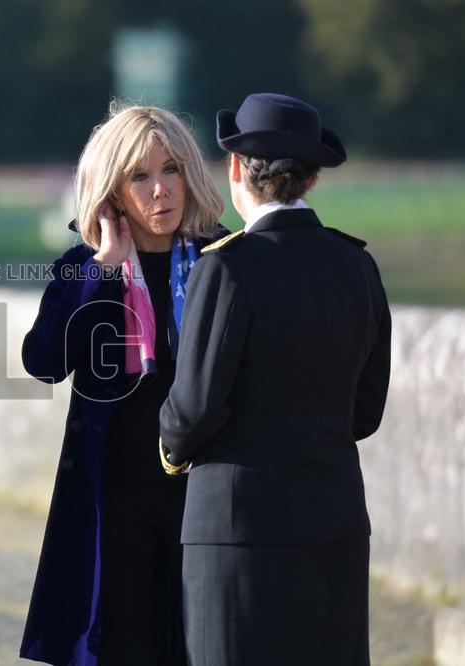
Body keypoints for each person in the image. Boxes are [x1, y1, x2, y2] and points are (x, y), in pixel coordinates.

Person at [159, 92, 391, 666]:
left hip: (236, 531)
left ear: (237, 168)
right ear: (310, 178)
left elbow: (191, 411)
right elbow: (366, 411)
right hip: (333, 520)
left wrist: (169, 446)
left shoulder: (227, 266)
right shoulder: (356, 264)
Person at [19, 102, 226, 666]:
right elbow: (43, 361)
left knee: (202, 647)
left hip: (207, 496)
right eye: (139, 176)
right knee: (123, 646)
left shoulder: (224, 260)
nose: (160, 190)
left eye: (171, 169)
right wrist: (105, 270)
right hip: (115, 499)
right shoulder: (84, 268)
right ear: (111, 190)